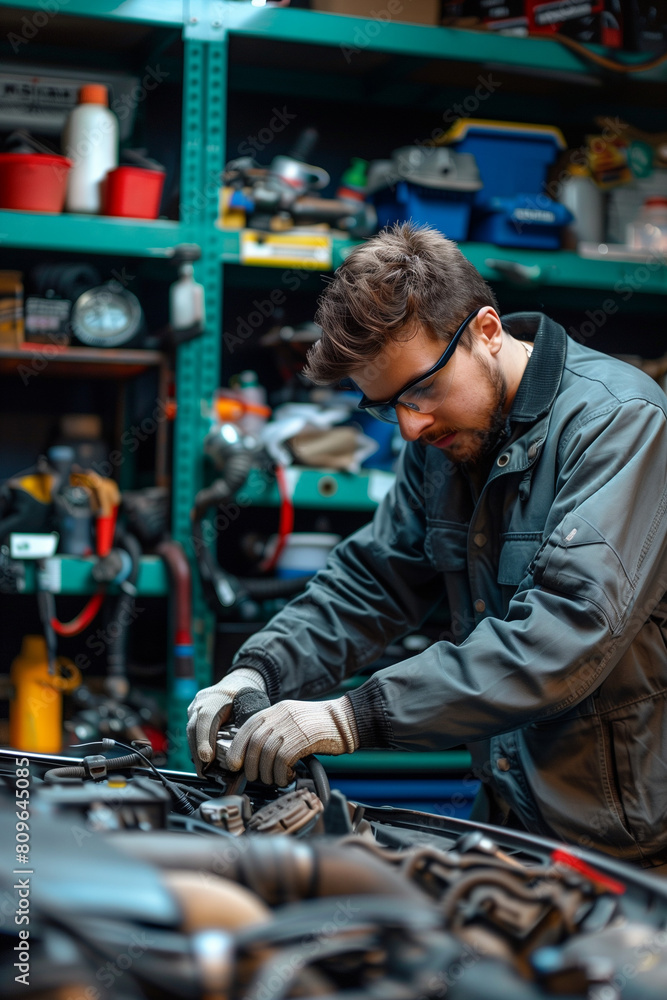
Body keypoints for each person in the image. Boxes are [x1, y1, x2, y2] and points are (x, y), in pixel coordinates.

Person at [187, 222, 667, 869]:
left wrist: (354, 716)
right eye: (387, 406)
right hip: (513, 820)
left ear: (486, 331)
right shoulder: (445, 442)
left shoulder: (618, 422)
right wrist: (261, 669)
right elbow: (372, 581)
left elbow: (565, 631)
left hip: (633, 842)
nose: (410, 426)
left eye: (420, 391)